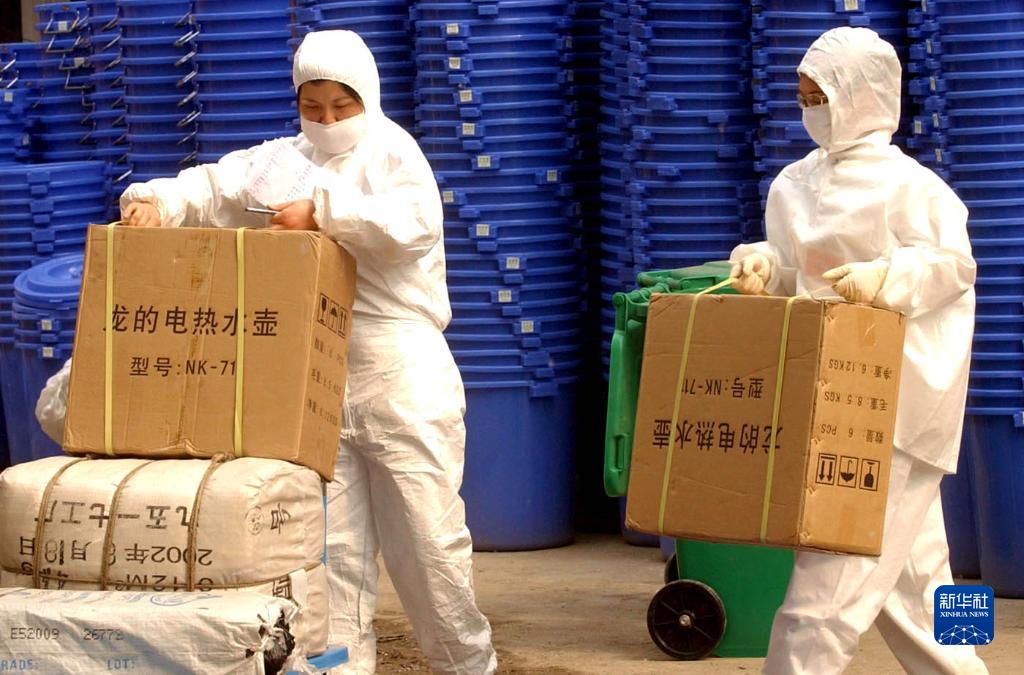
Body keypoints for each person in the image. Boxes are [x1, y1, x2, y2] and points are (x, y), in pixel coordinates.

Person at [39, 30, 496, 675]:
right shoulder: (285, 161)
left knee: (428, 540)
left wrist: (322, 211)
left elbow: (410, 227)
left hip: (399, 372)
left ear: (367, 95)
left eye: (342, 105)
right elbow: (215, 186)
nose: (328, 121)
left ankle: (468, 666)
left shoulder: (394, 154)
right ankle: (341, 668)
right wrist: (156, 203)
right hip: (315, 373)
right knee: (331, 549)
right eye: (313, 107)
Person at [730, 28, 989, 675]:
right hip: (830, 396)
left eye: (821, 97)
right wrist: (765, 267)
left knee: (822, 600)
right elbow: (797, 273)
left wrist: (887, 279)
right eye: (802, 98)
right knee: (926, 581)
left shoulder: (914, 188)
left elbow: (954, 267)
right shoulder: (793, 184)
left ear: (864, 96)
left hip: (894, 409)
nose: (810, 110)